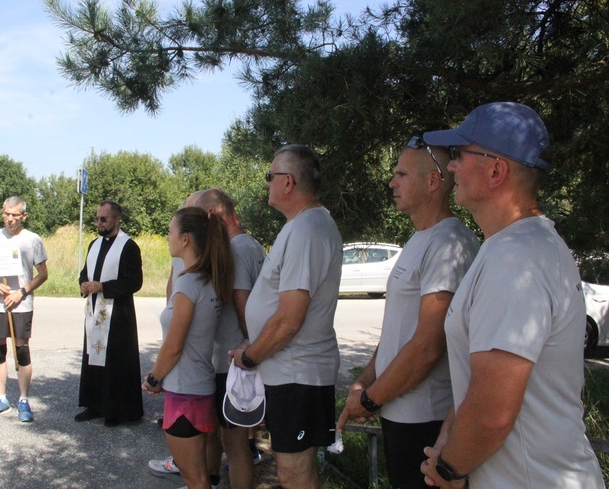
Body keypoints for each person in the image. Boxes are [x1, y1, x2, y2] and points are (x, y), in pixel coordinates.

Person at [418, 102, 603, 488]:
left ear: (496, 170)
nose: (450, 167)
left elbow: (492, 413)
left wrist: (449, 469)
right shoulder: (515, 246)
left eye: (458, 154)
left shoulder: (516, 258)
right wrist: (449, 441)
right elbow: (478, 381)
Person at [336, 138, 479, 488]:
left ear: (433, 182)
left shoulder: (449, 243)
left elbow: (429, 345)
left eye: (401, 174)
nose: (391, 182)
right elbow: (398, 329)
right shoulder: (420, 238)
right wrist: (365, 380)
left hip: (425, 420)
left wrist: (371, 397)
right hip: (399, 412)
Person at [231, 144, 342, 488]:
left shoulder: (307, 229)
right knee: (291, 467)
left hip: (299, 373)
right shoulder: (302, 225)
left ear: (289, 182)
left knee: (295, 472)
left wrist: (250, 356)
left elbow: (290, 318)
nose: (267, 184)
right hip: (293, 371)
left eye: (270, 176)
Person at [142, 207, 234, 489]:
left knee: (194, 480)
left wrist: (154, 378)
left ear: (185, 240)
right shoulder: (210, 279)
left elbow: (174, 346)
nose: (167, 237)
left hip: (184, 393)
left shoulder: (188, 283)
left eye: (170, 232)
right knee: (201, 477)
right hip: (201, 387)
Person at [197, 188, 265, 489]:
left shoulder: (236, 249)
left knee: (235, 445)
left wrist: (251, 348)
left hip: (233, 363)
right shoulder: (250, 244)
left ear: (213, 215)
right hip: (234, 360)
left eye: (200, 219)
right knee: (228, 438)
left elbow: (244, 307)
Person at [0, 196, 48, 422]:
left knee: (21, 350)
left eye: (15, 215)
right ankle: (0, 398)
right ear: (2, 212)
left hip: (21, 304)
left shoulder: (32, 240)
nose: (10, 219)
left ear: (23, 216)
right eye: (6, 214)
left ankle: (23, 400)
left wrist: (21, 292)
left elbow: (43, 274)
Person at [75, 200, 144, 427]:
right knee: (93, 358)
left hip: (118, 316)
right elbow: (85, 273)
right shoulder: (93, 245)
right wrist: (84, 284)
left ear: (117, 219)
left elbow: (134, 282)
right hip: (95, 312)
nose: (99, 222)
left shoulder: (128, 246)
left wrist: (103, 287)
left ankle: (116, 409)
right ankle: (94, 405)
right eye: (96, 218)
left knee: (116, 362)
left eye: (103, 218)